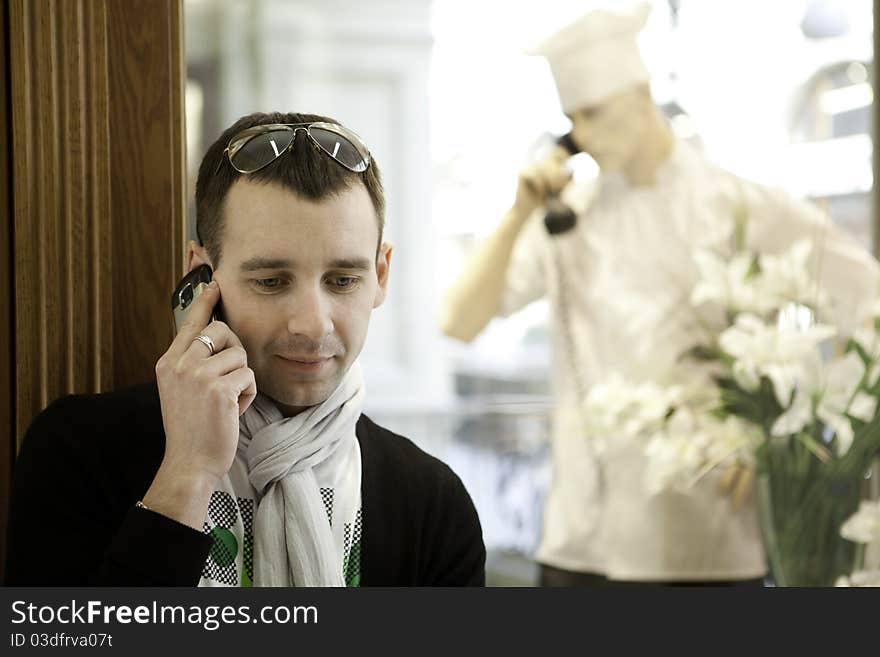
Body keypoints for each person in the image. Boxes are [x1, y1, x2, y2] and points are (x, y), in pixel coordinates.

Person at [439, 2, 879, 586]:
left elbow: (867, 301)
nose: (585, 136)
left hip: (709, 539)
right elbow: (459, 320)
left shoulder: (741, 205)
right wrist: (519, 212)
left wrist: (788, 434)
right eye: (573, 120)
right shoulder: (571, 218)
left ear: (640, 91)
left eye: (594, 112)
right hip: (582, 540)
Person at [5, 111, 486, 587]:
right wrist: (187, 474)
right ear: (202, 277)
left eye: (343, 280)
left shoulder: (431, 502)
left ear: (380, 276)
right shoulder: (80, 451)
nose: (313, 323)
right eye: (272, 282)